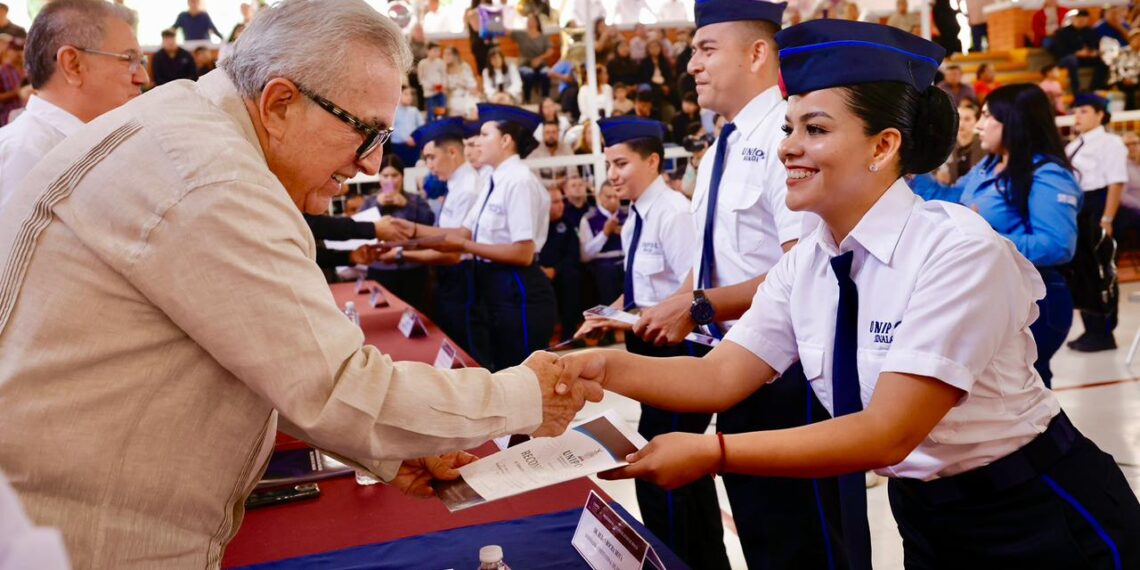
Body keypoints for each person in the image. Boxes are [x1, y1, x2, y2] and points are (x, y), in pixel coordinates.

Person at [0, 3, 601, 568]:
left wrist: (382, 447)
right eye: (365, 131)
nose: (371, 163)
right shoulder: (214, 180)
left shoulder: (189, 131)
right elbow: (337, 385)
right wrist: (527, 396)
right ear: (280, 103)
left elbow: (266, 361)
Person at [558, 19, 1140, 569]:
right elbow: (719, 376)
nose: (788, 148)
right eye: (788, 128)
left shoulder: (957, 250)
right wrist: (597, 367)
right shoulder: (809, 262)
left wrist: (716, 453)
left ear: (883, 146)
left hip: (1038, 512)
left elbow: (888, 431)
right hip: (927, 513)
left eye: (815, 129)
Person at [634, 1, 843, 568]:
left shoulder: (789, 136)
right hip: (730, 363)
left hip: (786, 373)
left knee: (798, 542)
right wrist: (674, 303)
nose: (692, 65)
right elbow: (712, 260)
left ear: (756, 53)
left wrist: (699, 304)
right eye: (692, 51)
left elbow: (802, 269)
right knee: (759, 532)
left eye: (706, 49)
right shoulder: (719, 148)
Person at [575, 117, 730, 569]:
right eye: (609, 164)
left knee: (670, 467)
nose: (613, 174)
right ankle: (674, 553)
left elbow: (691, 288)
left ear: (653, 161)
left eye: (621, 163)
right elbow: (639, 289)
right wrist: (609, 313)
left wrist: (646, 316)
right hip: (647, 345)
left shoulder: (673, 213)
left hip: (679, 351)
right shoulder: (635, 216)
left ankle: (691, 559)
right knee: (658, 464)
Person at [913, 84, 1082, 387]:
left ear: (1014, 121)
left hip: (1037, 301)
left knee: (1025, 393)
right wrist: (915, 168)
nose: (979, 125)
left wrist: (984, 236)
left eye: (988, 116)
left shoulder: (1047, 174)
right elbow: (951, 199)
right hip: (996, 294)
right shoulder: (989, 166)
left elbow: (1057, 245)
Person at [414, 103, 557, 371]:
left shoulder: (518, 181)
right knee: (500, 369)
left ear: (506, 141)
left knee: (523, 374)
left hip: (518, 290)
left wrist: (464, 246)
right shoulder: (494, 179)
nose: (477, 142)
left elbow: (523, 253)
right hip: (494, 287)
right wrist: (409, 232)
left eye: (484, 134)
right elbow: (462, 232)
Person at [0, 0, 146, 211]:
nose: (143, 77)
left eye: (142, 62)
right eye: (129, 59)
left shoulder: (95, 141)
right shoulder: (27, 156)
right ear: (73, 65)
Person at [1065, 93, 1128, 352]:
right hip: (1079, 208)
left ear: (1100, 114)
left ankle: (1104, 332)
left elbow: (1116, 182)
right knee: (1083, 271)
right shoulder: (1073, 145)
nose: (1078, 116)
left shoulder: (1111, 143)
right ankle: (1091, 329)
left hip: (1098, 206)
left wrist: (1107, 218)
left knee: (1101, 271)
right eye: (1076, 111)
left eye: (1084, 111)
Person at [539, 186, 582, 342]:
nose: (561, 205)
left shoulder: (568, 224)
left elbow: (573, 255)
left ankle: (569, 336)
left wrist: (555, 270)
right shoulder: (535, 224)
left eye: (561, 201)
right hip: (538, 272)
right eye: (555, 202)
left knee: (572, 278)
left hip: (562, 271)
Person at [579, 181, 626, 306]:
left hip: (626, 262)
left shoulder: (628, 215)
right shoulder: (589, 218)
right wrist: (605, 234)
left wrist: (625, 233)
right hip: (603, 266)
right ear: (599, 197)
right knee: (606, 272)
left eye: (616, 196)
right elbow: (585, 255)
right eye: (608, 197)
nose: (613, 200)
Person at [1050, 10, 1108, 94]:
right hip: (1068, 58)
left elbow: (1096, 45)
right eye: (1078, 18)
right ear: (1073, 19)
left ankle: (1095, 88)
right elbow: (1058, 49)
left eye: (1084, 19)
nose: (1081, 21)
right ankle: (1076, 90)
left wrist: (1094, 52)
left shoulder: (1090, 32)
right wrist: (1076, 53)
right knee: (1071, 60)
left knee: (1105, 60)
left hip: (1086, 58)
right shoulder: (1062, 32)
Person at [938, 99, 985, 185]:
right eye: (959, 118)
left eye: (967, 119)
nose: (961, 124)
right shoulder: (945, 143)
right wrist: (937, 175)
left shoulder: (983, 145)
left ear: (976, 121)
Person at [512, 14, 553, 102]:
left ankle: (546, 99)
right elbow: (508, 32)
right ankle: (527, 100)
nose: (530, 22)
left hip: (541, 64)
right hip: (525, 64)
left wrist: (540, 58)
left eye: (532, 20)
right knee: (528, 74)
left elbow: (550, 50)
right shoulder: (521, 35)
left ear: (537, 23)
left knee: (546, 73)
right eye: (529, 20)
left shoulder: (543, 37)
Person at [388, 85, 424, 166]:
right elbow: (390, 129)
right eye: (406, 94)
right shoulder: (393, 112)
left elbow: (422, 127)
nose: (409, 97)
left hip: (414, 146)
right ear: (397, 95)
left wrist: (416, 138)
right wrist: (405, 139)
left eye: (410, 94)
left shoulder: (414, 111)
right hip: (399, 146)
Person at [529, 119, 572, 187]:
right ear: (543, 135)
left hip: (565, 189)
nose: (551, 135)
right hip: (543, 190)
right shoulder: (535, 153)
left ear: (558, 134)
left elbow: (573, 174)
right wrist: (556, 182)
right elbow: (536, 180)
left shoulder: (567, 149)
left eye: (554, 132)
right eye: (547, 132)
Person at [1108, 29, 1140, 110]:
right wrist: (1126, 78)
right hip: (1122, 79)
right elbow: (1118, 68)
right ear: (1131, 40)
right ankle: (1130, 111)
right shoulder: (1122, 52)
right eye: (1136, 39)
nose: (1138, 41)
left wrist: (1134, 79)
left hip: (1136, 79)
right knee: (1129, 89)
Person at [444, 46, 478, 117]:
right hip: (452, 98)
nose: (445, 56)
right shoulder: (443, 69)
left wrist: (468, 88)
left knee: (473, 106)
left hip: (466, 94)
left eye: (449, 54)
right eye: (445, 54)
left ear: (455, 56)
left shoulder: (464, 67)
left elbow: (472, 85)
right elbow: (444, 89)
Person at [0, 34, 23, 126]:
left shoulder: (24, 69)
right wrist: (16, 92)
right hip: (8, 119)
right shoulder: (2, 71)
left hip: (23, 115)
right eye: (13, 49)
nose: (18, 52)